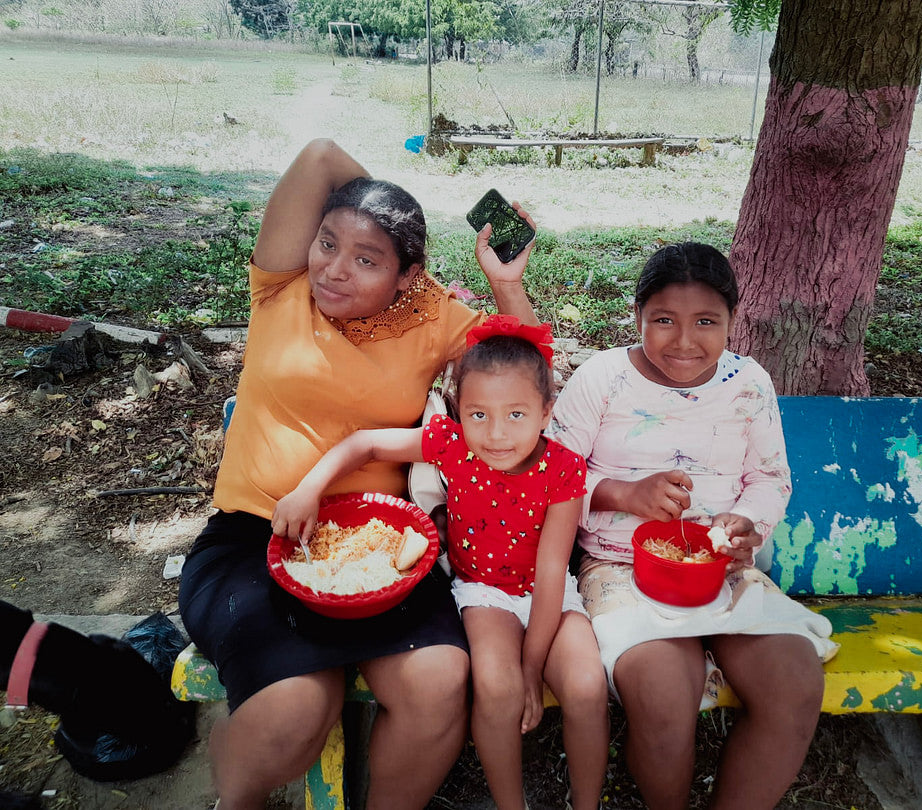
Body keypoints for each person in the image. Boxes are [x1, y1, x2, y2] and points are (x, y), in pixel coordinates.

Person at [178, 138, 540, 810]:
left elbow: (525, 384)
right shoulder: (281, 287)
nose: (335, 270)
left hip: (379, 552)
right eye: (328, 243)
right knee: (294, 716)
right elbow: (319, 157)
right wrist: (378, 216)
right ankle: (236, 789)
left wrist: (507, 283)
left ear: (409, 276)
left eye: (367, 259)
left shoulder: (431, 317)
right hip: (254, 542)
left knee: (438, 682)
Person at [273, 315, 610, 810]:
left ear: (546, 412)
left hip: (548, 593)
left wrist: (534, 667)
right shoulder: (451, 445)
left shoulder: (563, 469)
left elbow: (552, 570)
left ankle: (587, 804)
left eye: (516, 415)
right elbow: (365, 443)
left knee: (585, 686)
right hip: (485, 594)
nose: (495, 434)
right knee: (497, 688)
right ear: (459, 411)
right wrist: (309, 488)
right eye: (478, 414)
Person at [547, 242, 839, 810]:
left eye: (707, 321)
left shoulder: (749, 383)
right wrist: (624, 493)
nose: (684, 341)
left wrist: (746, 521)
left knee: (795, 684)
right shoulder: (603, 378)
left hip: (722, 572)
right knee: (661, 697)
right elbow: (548, 478)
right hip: (620, 569)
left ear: (733, 320)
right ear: (637, 318)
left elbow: (770, 478)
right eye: (663, 321)